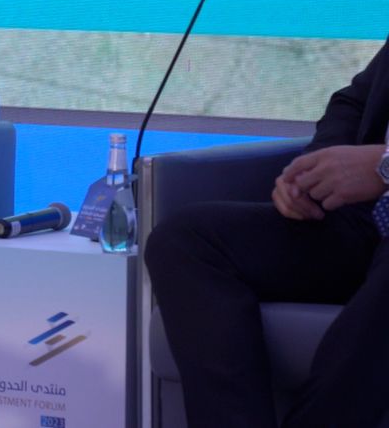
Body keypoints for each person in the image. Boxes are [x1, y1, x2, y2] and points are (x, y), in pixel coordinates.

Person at [145, 41, 389, 428]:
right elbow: (353, 103)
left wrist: (383, 167)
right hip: (363, 220)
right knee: (186, 241)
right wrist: (317, 170)